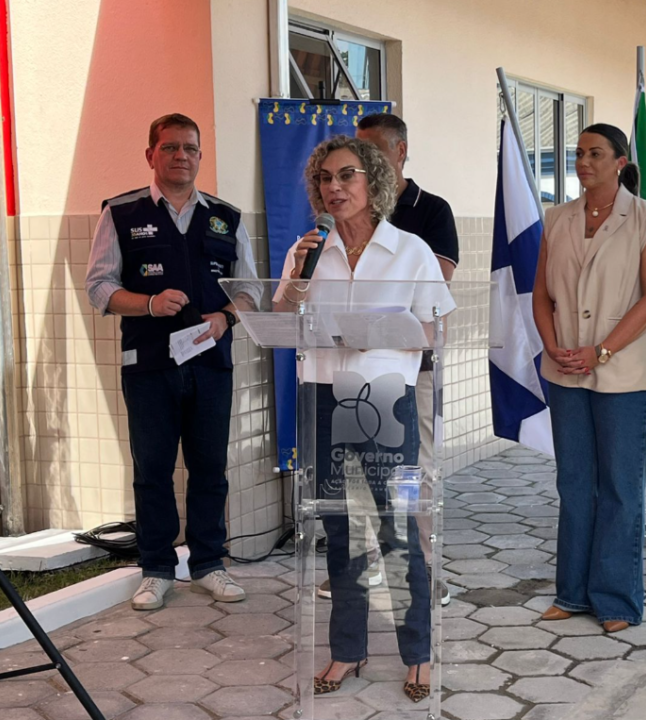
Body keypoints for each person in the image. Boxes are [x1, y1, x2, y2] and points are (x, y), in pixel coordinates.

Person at [275, 135, 455, 702]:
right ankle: (346, 650)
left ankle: (418, 654)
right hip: (324, 396)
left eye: (346, 176)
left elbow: (436, 330)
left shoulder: (410, 250)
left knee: (393, 528)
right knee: (339, 529)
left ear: (373, 184)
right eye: (325, 178)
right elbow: (284, 315)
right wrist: (300, 273)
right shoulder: (309, 250)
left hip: (383, 399)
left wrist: (382, 333)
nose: (334, 187)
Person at [85, 113, 259, 610]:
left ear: (201, 157)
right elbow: (98, 286)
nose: (181, 155)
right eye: (170, 147)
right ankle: (157, 568)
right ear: (150, 155)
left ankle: (208, 564)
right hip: (149, 367)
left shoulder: (227, 217)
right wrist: (146, 303)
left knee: (210, 469)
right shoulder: (120, 213)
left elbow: (248, 291)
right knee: (153, 469)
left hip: (210, 365)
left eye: (190, 148)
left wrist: (227, 318)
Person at [533, 123, 646, 634]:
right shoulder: (557, 218)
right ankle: (571, 594)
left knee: (618, 488)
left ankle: (616, 601)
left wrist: (603, 350)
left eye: (595, 153)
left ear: (619, 162)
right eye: (578, 153)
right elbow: (541, 295)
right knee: (574, 484)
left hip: (625, 374)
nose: (583, 162)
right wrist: (551, 345)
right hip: (565, 367)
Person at [353, 113, 458, 608]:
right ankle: (369, 562)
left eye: (372, 150)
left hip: (413, 371)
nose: (362, 162)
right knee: (359, 471)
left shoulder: (431, 211)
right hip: (354, 371)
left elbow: (434, 285)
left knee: (416, 471)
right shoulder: (349, 213)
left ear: (399, 152)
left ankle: (425, 569)